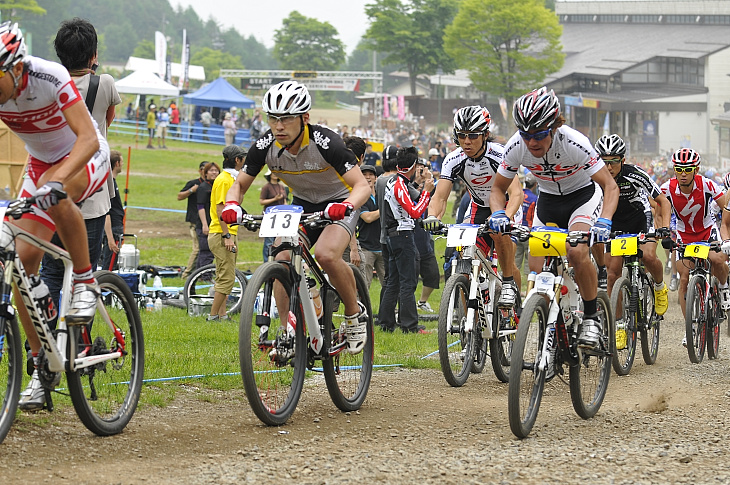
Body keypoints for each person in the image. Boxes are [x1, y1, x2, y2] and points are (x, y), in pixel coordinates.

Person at [0, 21, 110, 410]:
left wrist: (57, 179)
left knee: (58, 195)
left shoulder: (50, 76)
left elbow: (88, 137)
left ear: (15, 67)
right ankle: (41, 365)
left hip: (84, 156)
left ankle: (84, 279)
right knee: (17, 261)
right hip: (40, 165)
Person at [221, 80, 370, 354]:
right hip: (303, 205)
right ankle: (288, 332)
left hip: (340, 202)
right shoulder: (265, 145)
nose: (279, 126)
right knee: (282, 258)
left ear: (305, 118)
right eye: (273, 118)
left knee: (326, 254)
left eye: (286, 119)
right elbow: (239, 185)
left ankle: (353, 315)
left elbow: (362, 186)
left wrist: (347, 205)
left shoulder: (327, 142)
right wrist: (232, 205)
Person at [489, 87, 619, 352]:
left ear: (553, 127)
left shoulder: (574, 142)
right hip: (547, 201)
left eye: (538, 135)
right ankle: (553, 328)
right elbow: (496, 189)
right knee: (536, 270)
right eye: (526, 135)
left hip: (582, 197)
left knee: (576, 251)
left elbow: (610, 186)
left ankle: (592, 318)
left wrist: (605, 220)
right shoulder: (516, 145)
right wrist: (499, 213)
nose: (532, 143)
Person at [423, 106, 524, 308]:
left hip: (504, 208)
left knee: (506, 253)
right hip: (478, 208)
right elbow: (440, 197)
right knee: (465, 261)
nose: (466, 141)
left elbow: (516, 193)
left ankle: (510, 291)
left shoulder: (500, 154)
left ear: (485, 135)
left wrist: (507, 217)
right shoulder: (453, 159)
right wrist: (433, 216)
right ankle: (473, 330)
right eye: (461, 136)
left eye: (473, 136)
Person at [594, 134, 670, 316]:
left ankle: (659, 287)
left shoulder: (634, 174)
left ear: (623, 160)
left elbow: (663, 201)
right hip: (614, 223)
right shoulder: (595, 178)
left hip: (639, 218)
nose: (609, 167)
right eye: (604, 162)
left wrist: (665, 229)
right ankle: (618, 324)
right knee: (612, 275)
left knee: (649, 257)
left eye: (614, 161)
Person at [660, 149, 730, 337]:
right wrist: (664, 230)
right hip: (685, 235)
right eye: (679, 169)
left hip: (707, 231)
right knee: (684, 279)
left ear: (696, 169)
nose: (683, 173)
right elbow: (657, 208)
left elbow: (726, 207)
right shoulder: (667, 188)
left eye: (688, 169)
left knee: (718, 260)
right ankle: (690, 327)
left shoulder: (707, 185)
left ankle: (723, 287)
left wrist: (725, 235)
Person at [379, 147, 434, 333]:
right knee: (408, 282)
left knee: (393, 281)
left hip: (393, 235)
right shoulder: (399, 185)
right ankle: (410, 325)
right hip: (403, 235)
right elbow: (416, 212)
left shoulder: (394, 181)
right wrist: (426, 191)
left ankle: (386, 323)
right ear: (412, 167)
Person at [208, 145, 246, 321]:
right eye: (243, 158)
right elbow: (221, 209)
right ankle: (213, 316)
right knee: (227, 278)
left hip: (225, 232)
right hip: (222, 233)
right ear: (237, 160)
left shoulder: (231, 179)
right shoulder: (225, 180)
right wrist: (227, 235)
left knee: (222, 274)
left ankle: (222, 315)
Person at [357, 164, 385, 289]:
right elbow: (367, 218)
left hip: (383, 247)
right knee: (364, 285)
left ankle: (391, 309)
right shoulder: (359, 197)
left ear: (375, 178)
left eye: (370, 175)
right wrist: (384, 210)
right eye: (364, 175)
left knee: (389, 284)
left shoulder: (381, 195)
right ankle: (363, 309)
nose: (368, 178)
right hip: (366, 247)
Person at [178, 162, 206, 280]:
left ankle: (201, 273)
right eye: (205, 170)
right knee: (197, 249)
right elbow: (179, 196)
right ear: (200, 171)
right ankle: (187, 274)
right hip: (195, 222)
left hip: (207, 222)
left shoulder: (212, 184)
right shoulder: (194, 184)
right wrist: (191, 191)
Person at [101, 150, 124, 271]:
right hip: (113, 229)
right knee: (109, 265)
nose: (123, 164)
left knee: (112, 263)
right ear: (117, 164)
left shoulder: (113, 183)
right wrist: (110, 238)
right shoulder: (109, 185)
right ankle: (103, 287)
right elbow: (107, 212)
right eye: (122, 161)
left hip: (116, 228)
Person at [259, 169, 287, 262]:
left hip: (281, 216)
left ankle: (276, 261)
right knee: (269, 241)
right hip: (270, 217)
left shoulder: (281, 187)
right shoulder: (266, 187)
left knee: (278, 240)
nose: (275, 175)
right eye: (273, 173)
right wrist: (274, 199)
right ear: (269, 175)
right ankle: (267, 262)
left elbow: (284, 201)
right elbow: (262, 201)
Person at [196, 162, 220, 268]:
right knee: (206, 251)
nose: (214, 173)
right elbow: (200, 207)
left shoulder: (217, 186)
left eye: (216, 170)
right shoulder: (203, 187)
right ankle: (204, 276)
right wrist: (204, 225)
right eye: (211, 170)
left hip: (215, 223)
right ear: (205, 173)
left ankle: (199, 275)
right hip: (206, 223)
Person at [515, 171, 538, 277]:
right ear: (535, 184)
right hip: (528, 231)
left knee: (515, 261)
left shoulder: (517, 195)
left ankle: (512, 285)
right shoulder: (535, 199)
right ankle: (529, 286)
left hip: (516, 229)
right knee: (529, 262)